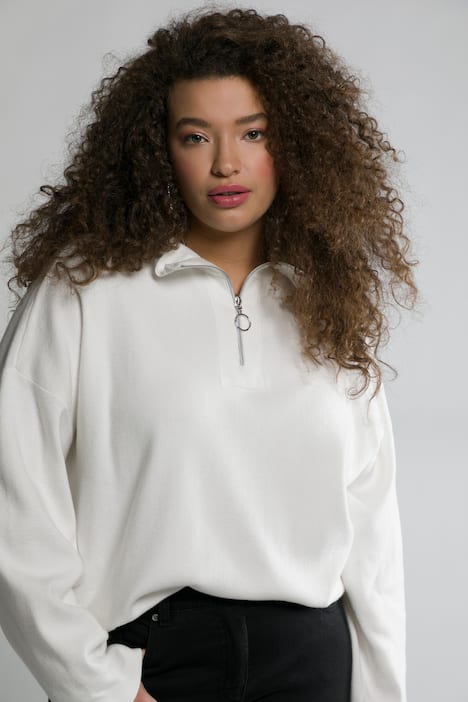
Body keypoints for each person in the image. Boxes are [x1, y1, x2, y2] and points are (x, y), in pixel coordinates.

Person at [0, 7, 419, 702]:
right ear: (158, 149)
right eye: (195, 136)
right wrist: (97, 688)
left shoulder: (331, 303)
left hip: (312, 666)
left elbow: (371, 540)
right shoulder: (86, 288)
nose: (226, 162)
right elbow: (14, 499)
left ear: (297, 141)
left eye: (253, 133)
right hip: (153, 667)